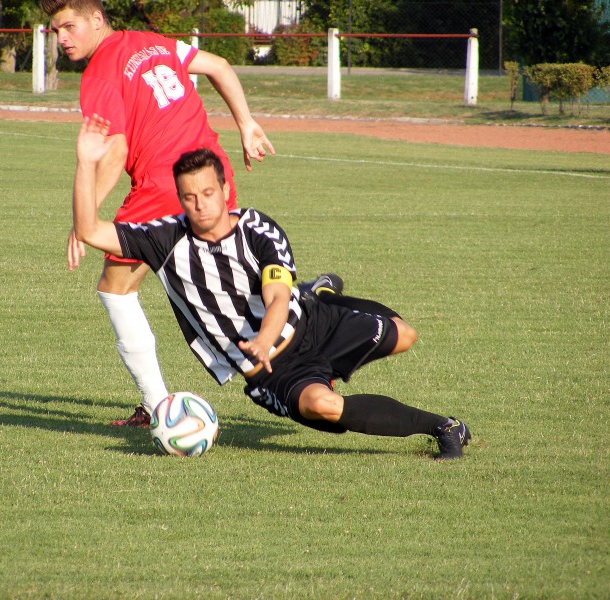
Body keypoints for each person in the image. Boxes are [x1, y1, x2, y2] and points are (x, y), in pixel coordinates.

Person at [72, 115, 472, 459]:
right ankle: (444, 427)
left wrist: (264, 336)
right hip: (273, 371)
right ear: (179, 198)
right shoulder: (163, 239)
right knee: (323, 404)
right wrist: (86, 164)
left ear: (226, 190)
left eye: (208, 193)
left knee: (406, 335)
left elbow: (278, 296)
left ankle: (322, 294)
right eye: (189, 197)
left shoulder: (258, 230)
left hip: (312, 323)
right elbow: (90, 230)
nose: (200, 205)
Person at [39, 0, 290, 426]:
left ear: (96, 19)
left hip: (162, 186)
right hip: (212, 174)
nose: (62, 38)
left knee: (115, 290)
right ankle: (307, 315)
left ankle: (158, 406)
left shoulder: (98, 74)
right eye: (55, 30)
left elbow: (115, 150)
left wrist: (87, 215)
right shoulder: (151, 42)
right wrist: (245, 123)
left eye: (68, 26)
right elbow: (220, 66)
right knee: (221, 278)